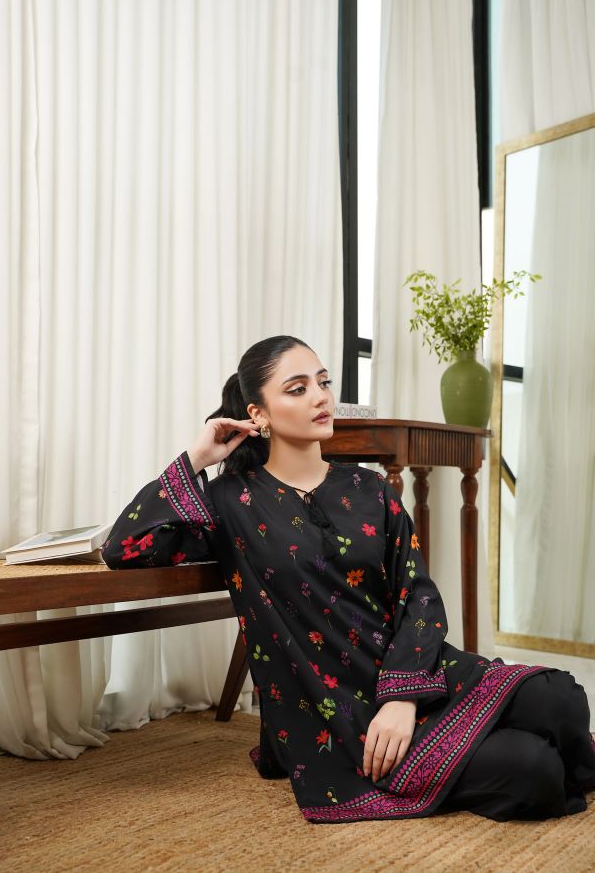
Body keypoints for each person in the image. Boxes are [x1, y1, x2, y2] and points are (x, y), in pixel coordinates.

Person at [102, 335, 595, 824]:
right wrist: (197, 457)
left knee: (563, 700)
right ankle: (485, 754)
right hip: (337, 713)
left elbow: (418, 594)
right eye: (297, 389)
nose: (320, 396)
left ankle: (485, 742)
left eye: (322, 382)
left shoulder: (369, 487)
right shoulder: (230, 503)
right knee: (535, 770)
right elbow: (124, 547)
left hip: (413, 673)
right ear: (259, 415)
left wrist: (404, 693)